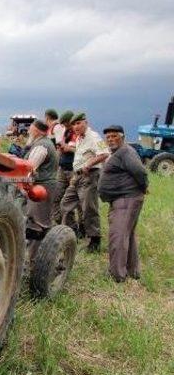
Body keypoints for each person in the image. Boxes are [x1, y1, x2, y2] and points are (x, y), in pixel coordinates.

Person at [98, 125, 148, 282]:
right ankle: (132, 271)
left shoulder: (126, 151)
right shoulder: (117, 153)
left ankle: (117, 275)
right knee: (127, 235)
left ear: (123, 137)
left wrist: (144, 186)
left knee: (118, 236)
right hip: (123, 199)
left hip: (126, 199)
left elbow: (140, 171)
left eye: (114, 136)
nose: (111, 139)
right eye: (108, 137)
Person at [60, 113, 110, 252]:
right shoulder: (79, 138)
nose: (75, 127)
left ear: (85, 122)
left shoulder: (94, 137)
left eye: (78, 123)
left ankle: (94, 240)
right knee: (65, 204)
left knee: (89, 208)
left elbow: (105, 153)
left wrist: (88, 164)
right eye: (73, 124)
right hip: (77, 176)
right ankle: (74, 232)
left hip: (90, 175)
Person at [24, 120, 59, 257]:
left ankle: (34, 259)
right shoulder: (44, 144)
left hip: (41, 189)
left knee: (36, 225)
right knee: (41, 222)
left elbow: (29, 169)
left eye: (30, 129)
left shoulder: (41, 146)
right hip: (44, 186)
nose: (28, 131)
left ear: (37, 131)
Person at [52, 111, 77, 225]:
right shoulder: (67, 132)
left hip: (74, 169)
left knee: (74, 200)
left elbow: (70, 149)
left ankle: (78, 227)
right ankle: (61, 222)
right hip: (63, 167)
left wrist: (64, 147)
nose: (65, 126)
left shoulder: (77, 133)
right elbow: (62, 148)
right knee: (57, 196)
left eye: (66, 124)